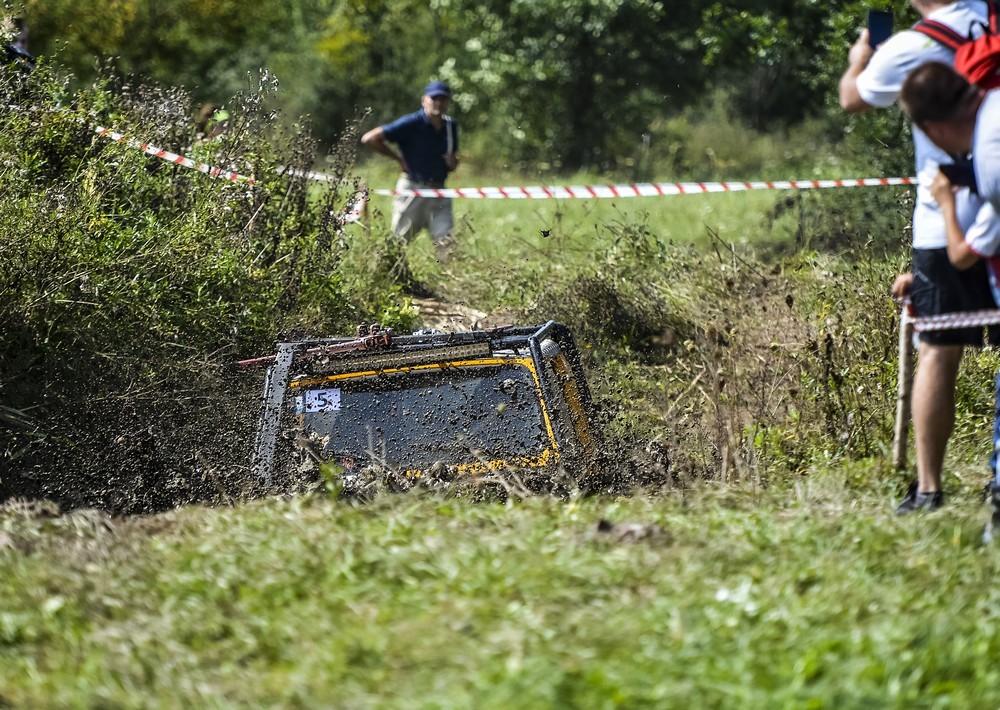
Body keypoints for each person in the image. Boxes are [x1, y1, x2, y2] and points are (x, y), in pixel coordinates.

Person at [839, 0, 1000, 514]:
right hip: (993, 213)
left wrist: (860, 57)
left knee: (936, 349)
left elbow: (852, 100)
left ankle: (930, 489)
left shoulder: (911, 44)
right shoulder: (991, 24)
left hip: (943, 217)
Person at [899, 60, 1000, 536]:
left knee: (938, 352)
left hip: (960, 245)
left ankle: (933, 489)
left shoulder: (991, 167)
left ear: (935, 127)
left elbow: (962, 255)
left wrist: (943, 202)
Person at [361, 81, 459, 295]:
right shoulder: (411, 123)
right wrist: (397, 158)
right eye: (434, 98)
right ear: (424, 100)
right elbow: (370, 138)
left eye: (443, 99)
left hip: (440, 192)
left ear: (448, 102)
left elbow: (452, 161)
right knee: (398, 242)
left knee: (446, 243)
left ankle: (449, 288)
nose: (439, 103)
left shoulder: (450, 126)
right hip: (413, 189)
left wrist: (453, 162)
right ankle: (384, 286)